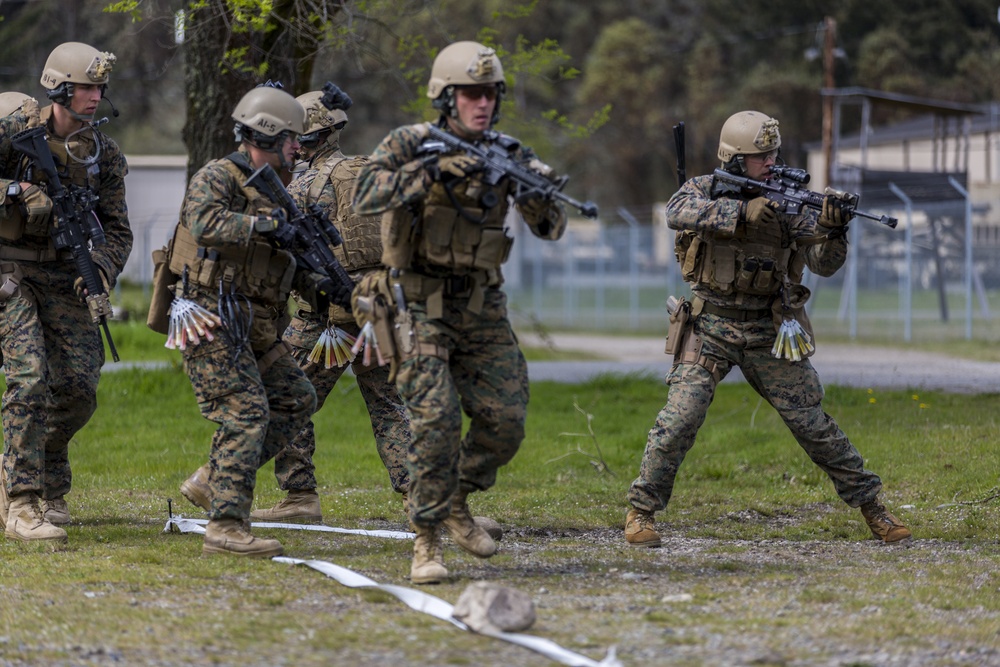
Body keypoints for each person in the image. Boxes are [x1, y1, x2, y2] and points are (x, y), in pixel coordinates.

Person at [624, 110, 912, 548]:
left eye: (774, 153)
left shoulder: (788, 203)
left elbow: (823, 266)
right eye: (761, 157)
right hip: (710, 325)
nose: (771, 163)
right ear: (735, 160)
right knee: (680, 419)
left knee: (813, 424)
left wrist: (833, 231)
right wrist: (741, 214)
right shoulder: (704, 188)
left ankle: (873, 507)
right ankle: (640, 512)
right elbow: (676, 210)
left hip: (769, 330)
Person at [353, 40, 568, 584]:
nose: (483, 103)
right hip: (416, 302)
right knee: (437, 419)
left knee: (506, 420)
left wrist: (538, 196)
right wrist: (434, 174)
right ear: (446, 96)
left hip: (481, 305)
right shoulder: (412, 143)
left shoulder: (508, 150)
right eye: (471, 94)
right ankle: (425, 541)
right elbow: (364, 194)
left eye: (491, 93)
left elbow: (552, 227)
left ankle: (455, 498)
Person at [248, 88, 410, 522]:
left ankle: (299, 495)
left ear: (303, 136)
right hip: (377, 311)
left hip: (326, 322)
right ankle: (426, 502)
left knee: (287, 397)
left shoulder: (302, 183)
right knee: (391, 406)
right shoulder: (372, 172)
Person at [169, 85, 317, 557]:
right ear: (269, 135)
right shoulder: (220, 175)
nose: (299, 147)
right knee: (246, 411)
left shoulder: (280, 191)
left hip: (253, 323)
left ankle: (217, 478)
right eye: (293, 138)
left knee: (297, 398)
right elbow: (205, 222)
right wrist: (266, 226)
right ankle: (226, 527)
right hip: (210, 317)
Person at [0, 43, 132, 545]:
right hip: (9, 272)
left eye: (100, 88)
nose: (96, 96)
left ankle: (38, 475)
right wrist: (16, 193)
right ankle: (21, 500)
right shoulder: (15, 130)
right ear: (59, 88)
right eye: (86, 87)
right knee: (30, 376)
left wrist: (99, 265)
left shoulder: (105, 155)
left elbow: (119, 231)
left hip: (64, 276)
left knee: (79, 387)